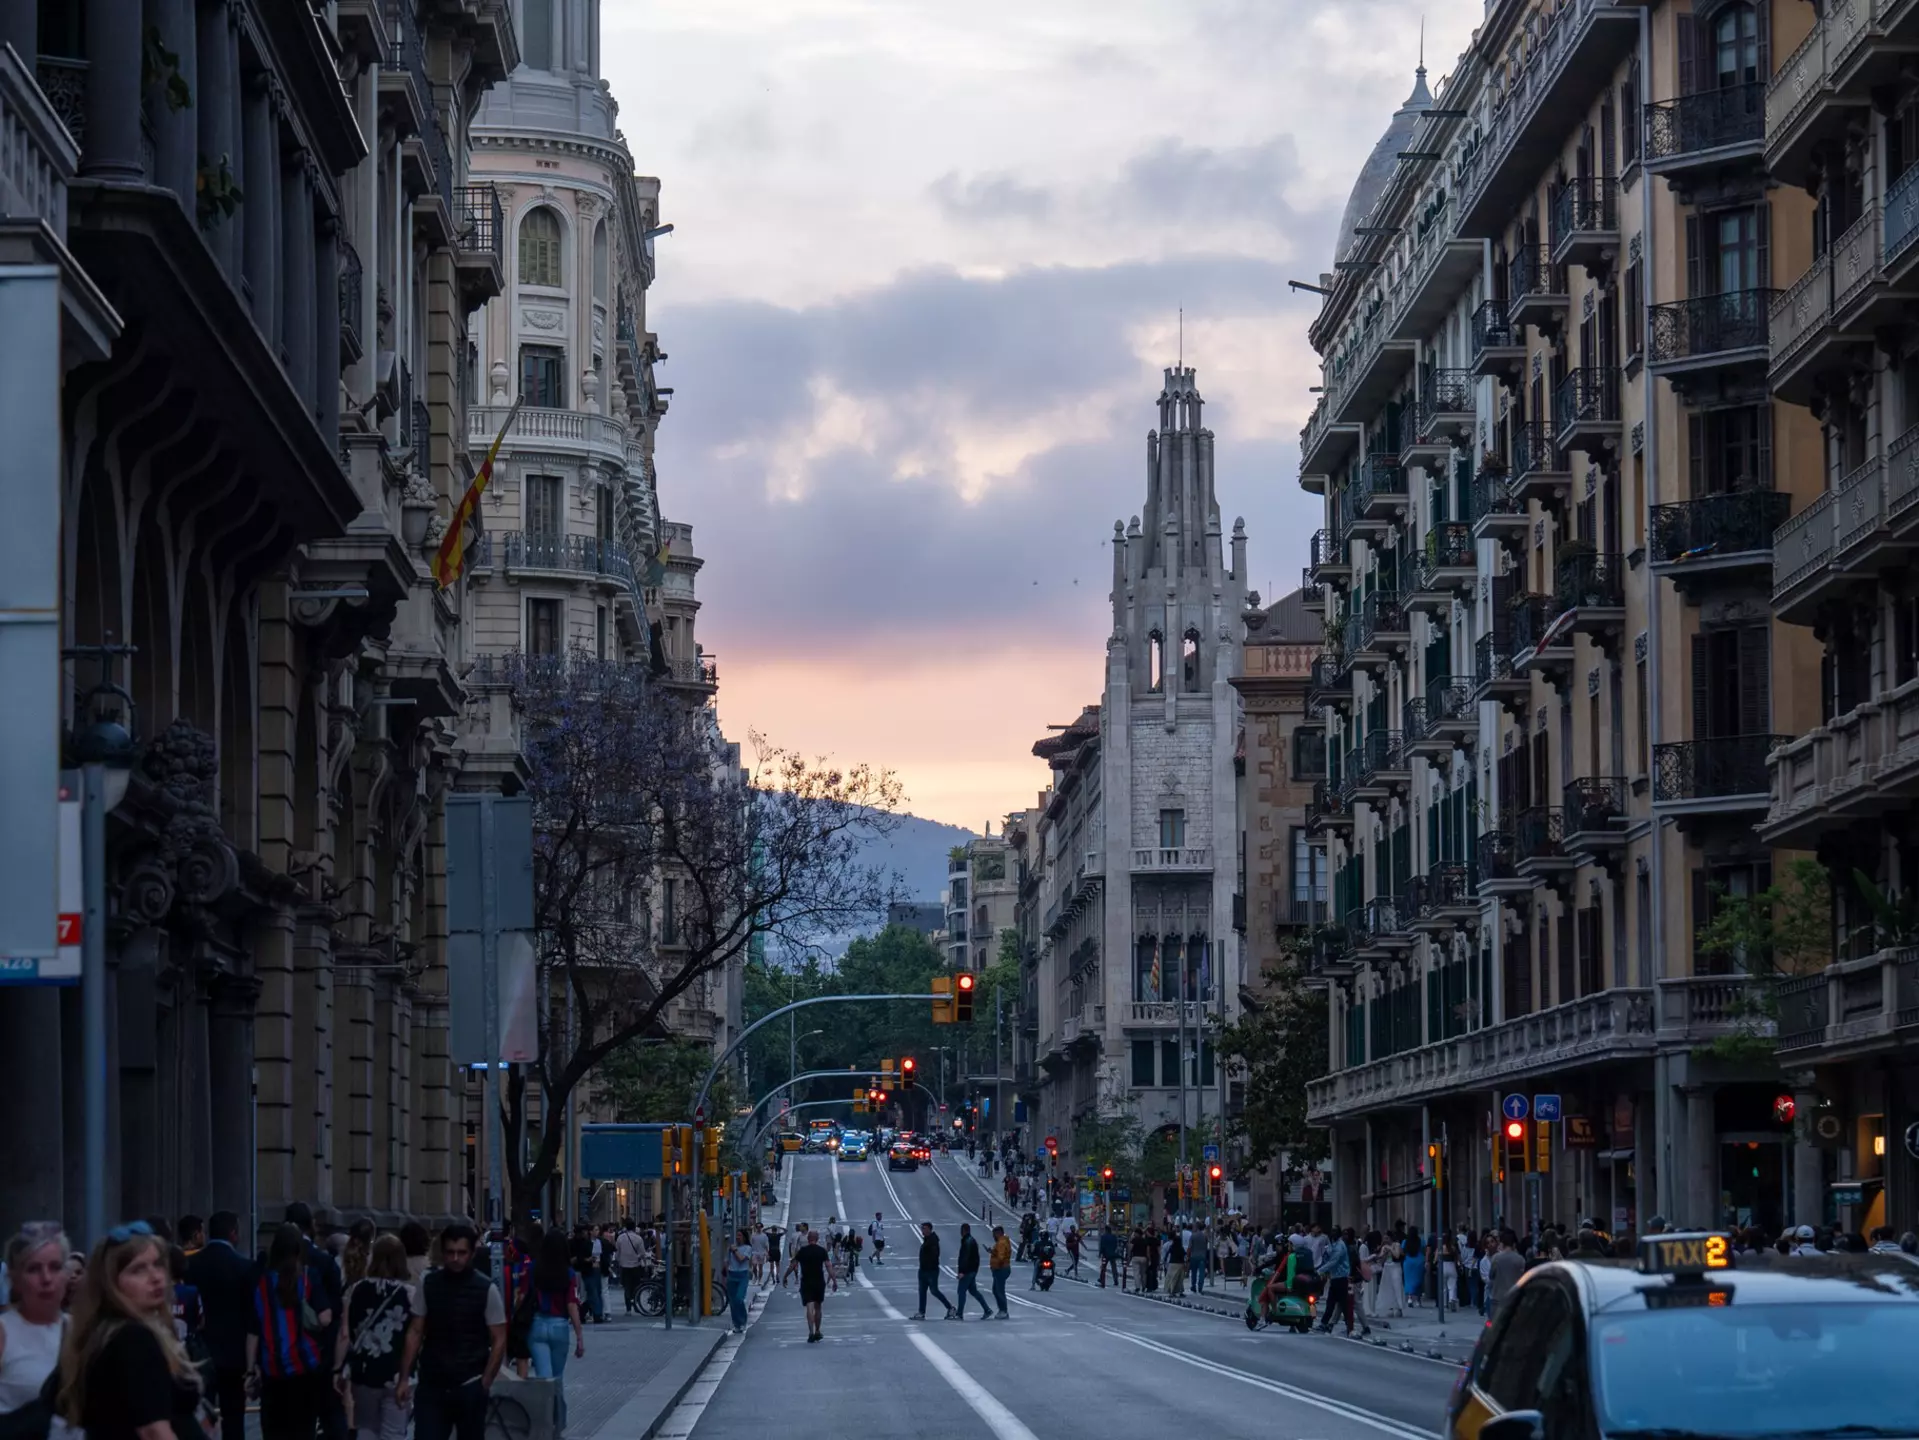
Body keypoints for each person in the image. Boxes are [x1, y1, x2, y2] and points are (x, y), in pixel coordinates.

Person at [54, 1222, 208, 1440]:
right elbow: (154, 1431)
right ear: (110, 1282)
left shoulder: (102, 1334)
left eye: (158, 1264)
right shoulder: (132, 1338)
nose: (155, 1277)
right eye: (138, 1269)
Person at [396, 1224, 507, 1440]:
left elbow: (499, 1337)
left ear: (471, 1253)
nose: (455, 1258)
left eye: (461, 1253)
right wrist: (404, 1377)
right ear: (443, 1252)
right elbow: (415, 1331)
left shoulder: (486, 1289)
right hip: (433, 1384)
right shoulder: (429, 1284)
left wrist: (485, 1382)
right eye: (450, 1252)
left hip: (470, 1383)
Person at [247, 1222, 333, 1440]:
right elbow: (325, 1318)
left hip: (272, 1369)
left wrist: (250, 1369)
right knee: (303, 1431)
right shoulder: (308, 1278)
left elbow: (253, 1330)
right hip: (304, 1368)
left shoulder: (262, 1283)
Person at [336, 1236, 416, 1440]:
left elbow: (346, 1334)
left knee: (366, 1429)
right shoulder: (410, 1294)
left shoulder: (356, 1289)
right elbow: (414, 1336)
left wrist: (337, 1369)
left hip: (364, 1372)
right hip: (396, 1374)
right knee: (393, 1432)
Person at [185, 1212, 255, 1440]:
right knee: (234, 1420)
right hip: (234, 1356)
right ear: (233, 1234)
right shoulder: (245, 1267)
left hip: (200, 1353)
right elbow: (251, 1316)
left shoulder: (191, 1265)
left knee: (199, 1417)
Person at [1, 1224, 68, 1440]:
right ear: (15, 1279)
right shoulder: (4, 1331)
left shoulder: (83, 1329)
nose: (46, 1279)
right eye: (33, 1269)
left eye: (55, 1267)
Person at [523, 1232, 583, 1433]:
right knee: (557, 1379)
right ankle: (558, 1424)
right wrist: (579, 1337)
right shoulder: (568, 1273)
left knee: (544, 1378)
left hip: (537, 1324)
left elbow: (522, 1296)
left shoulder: (533, 1269)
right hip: (559, 1327)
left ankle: (542, 1424)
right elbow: (572, 1305)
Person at [781, 1232, 834, 1343]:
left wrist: (785, 1276)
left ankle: (811, 1332)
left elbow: (793, 1265)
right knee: (818, 1307)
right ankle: (818, 1331)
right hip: (819, 1281)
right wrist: (834, 1280)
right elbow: (828, 1265)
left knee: (809, 1306)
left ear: (808, 1239)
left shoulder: (802, 1251)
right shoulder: (822, 1251)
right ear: (817, 1239)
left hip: (806, 1281)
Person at [912, 1224, 954, 1321]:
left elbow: (934, 1255)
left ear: (930, 1229)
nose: (922, 1230)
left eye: (924, 1229)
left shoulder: (933, 1241)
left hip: (931, 1270)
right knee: (922, 1291)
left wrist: (929, 1265)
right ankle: (921, 1312)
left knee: (934, 1290)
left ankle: (950, 1308)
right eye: (922, 1228)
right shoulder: (927, 1240)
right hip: (924, 1270)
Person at [952, 1225, 988, 1321]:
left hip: (967, 1271)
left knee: (961, 1291)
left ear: (963, 1231)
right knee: (973, 1291)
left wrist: (962, 1272)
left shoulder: (967, 1242)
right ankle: (987, 1309)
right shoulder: (971, 1240)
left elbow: (965, 1258)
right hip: (972, 1270)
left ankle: (959, 1314)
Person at [723, 1230, 754, 1335]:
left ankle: (743, 1321)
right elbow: (726, 1261)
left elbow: (741, 1259)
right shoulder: (731, 1248)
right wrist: (725, 1275)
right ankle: (736, 1324)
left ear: (744, 1237)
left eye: (740, 1235)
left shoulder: (747, 1248)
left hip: (742, 1275)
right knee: (732, 1302)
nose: (738, 1237)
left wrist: (735, 1250)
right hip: (732, 1275)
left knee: (739, 1299)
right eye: (737, 1235)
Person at [1487, 1231, 1524, 1311]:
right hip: (1514, 1298)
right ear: (1514, 1244)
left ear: (1502, 1243)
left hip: (1498, 1297)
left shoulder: (1496, 1258)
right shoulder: (1520, 1259)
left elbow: (1491, 1275)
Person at [613, 1221, 645, 1314]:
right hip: (636, 1265)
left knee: (627, 1287)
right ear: (634, 1228)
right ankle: (635, 1304)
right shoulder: (638, 1238)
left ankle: (628, 1309)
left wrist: (619, 1261)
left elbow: (617, 1253)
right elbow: (642, 1253)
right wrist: (638, 1258)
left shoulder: (620, 1238)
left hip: (624, 1266)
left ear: (626, 1227)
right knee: (636, 1286)